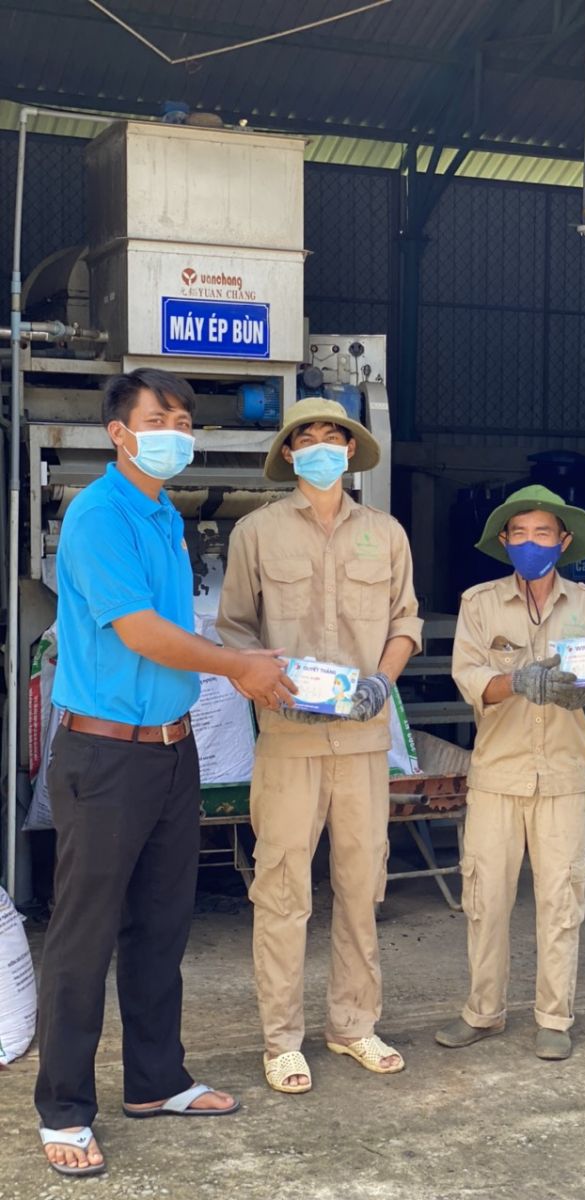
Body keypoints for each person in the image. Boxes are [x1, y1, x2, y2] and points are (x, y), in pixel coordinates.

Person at [36, 368, 295, 1178]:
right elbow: (142, 633)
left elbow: (175, 633)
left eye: (184, 421)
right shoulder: (98, 515)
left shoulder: (164, 518)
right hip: (107, 755)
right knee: (84, 936)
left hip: (171, 751)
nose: (175, 433)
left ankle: (156, 1082)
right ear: (119, 432)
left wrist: (236, 663)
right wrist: (240, 668)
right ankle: (64, 1108)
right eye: (159, 419)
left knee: (160, 925)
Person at [216, 397, 422, 1094]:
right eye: (307, 439)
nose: (322, 448)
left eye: (334, 437)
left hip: (362, 740)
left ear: (351, 450)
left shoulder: (385, 534)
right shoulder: (257, 532)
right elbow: (235, 631)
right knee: (282, 891)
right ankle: (281, 1041)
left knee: (362, 887)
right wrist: (266, 686)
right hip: (289, 741)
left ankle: (353, 1025)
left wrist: (381, 682)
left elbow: (405, 620)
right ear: (289, 454)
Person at [435, 485, 585, 1061]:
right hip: (497, 774)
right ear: (504, 541)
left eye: (543, 533)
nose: (531, 543)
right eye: (520, 533)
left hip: (563, 776)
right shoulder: (479, 603)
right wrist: (516, 681)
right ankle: (483, 1012)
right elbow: (468, 677)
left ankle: (554, 1017)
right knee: (485, 899)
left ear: (563, 542)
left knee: (561, 901)